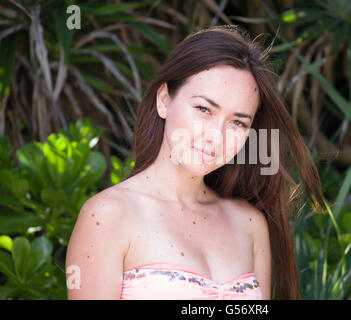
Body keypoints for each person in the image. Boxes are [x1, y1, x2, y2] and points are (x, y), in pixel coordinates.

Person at [65, 25, 326, 300]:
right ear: (164, 100)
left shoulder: (249, 224)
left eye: (237, 122)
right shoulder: (107, 215)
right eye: (204, 109)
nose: (215, 137)